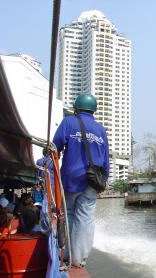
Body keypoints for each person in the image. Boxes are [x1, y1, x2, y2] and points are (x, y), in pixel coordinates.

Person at [52, 93, 109, 267]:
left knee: (68, 214)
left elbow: (55, 147)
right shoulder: (101, 130)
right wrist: (103, 181)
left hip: (71, 179)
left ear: (76, 108)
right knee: (85, 219)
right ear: (94, 110)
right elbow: (106, 160)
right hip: (93, 181)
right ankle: (80, 260)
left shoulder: (68, 122)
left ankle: (66, 256)